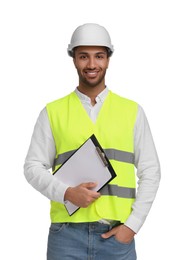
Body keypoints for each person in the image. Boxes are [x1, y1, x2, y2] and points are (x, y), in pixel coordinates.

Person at [24, 23, 161, 260]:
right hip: (66, 237)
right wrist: (66, 192)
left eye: (99, 56)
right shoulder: (52, 112)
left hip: (116, 237)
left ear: (108, 59)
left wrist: (132, 226)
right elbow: (32, 167)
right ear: (74, 60)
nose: (91, 64)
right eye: (83, 56)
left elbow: (151, 170)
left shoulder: (132, 111)